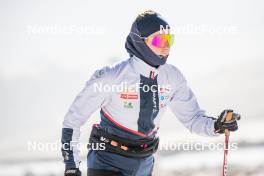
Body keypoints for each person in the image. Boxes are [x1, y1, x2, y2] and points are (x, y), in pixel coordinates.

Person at [61, 10, 240, 176]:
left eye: (169, 40)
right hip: (108, 162)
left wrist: (217, 125)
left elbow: (193, 119)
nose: (166, 47)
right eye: (159, 41)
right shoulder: (111, 76)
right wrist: (71, 166)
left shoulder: (172, 77)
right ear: (140, 41)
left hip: (144, 163)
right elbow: (73, 120)